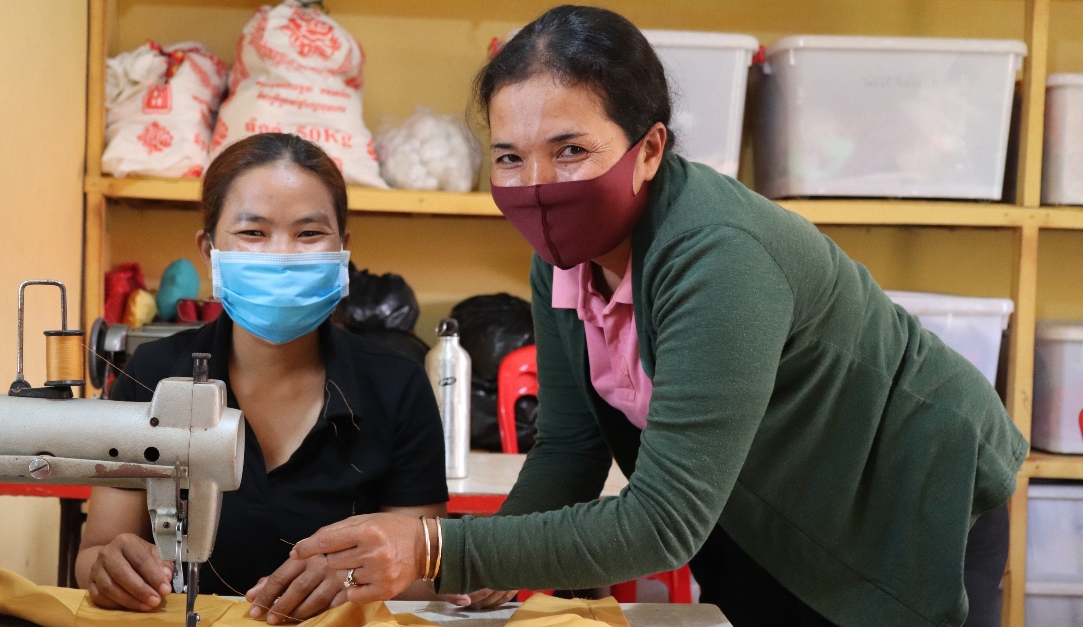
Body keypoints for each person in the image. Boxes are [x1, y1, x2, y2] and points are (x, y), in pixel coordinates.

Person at [289, 7, 1028, 627]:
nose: (537, 187)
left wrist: (441, 548)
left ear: (648, 150)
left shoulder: (718, 258)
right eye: (510, 158)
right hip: (766, 500)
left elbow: (664, 522)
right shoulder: (563, 260)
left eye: (571, 150)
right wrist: (493, 570)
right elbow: (570, 451)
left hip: (903, 489)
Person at [76, 133, 505, 624]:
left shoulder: (397, 385)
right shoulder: (153, 375)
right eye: (253, 233)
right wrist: (109, 570)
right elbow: (95, 553)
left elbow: (414, 566)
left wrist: (449, 570)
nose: (281, 256)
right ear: (209, 248)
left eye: (308, 234)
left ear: (343, 248)